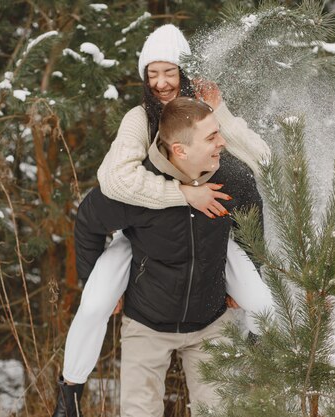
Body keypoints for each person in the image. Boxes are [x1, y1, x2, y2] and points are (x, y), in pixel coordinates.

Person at [52, 25, 273, 417]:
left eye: (169, 72)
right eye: (152, 74)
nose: (161, 83)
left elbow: (260, 160)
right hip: (144, 222)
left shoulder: (206, 113)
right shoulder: (140, 117)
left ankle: (258, 372)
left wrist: (219, 111)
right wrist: (183, 194)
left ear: (184, 72)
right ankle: (70, 389)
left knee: (260, 301)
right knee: (95, 302)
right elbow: (114, 180)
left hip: (207, 235)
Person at [81, 97, 263, 416]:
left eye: (218, 132)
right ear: (180, 149)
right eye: (211, 137)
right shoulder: (137, 187)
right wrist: (96, 285)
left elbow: (252, 222)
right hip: (146, 323)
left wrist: (248, 280)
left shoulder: (233, 178)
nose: (223, 142)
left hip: (212, 321)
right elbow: (87, 221)